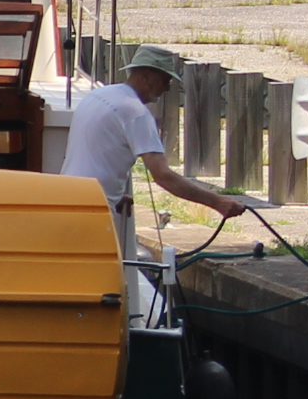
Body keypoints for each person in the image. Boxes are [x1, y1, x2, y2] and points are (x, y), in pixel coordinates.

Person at [62, 44, 245, 247]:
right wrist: (217, 202)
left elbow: (92, 153)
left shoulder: (99, 95)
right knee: (99, 278)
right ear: (147, 75)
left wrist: (114, 194)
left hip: (66, 199)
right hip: (92, 211)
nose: (167, 88)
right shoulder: (135, 112)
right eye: (165, 80)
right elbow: (163, 175)